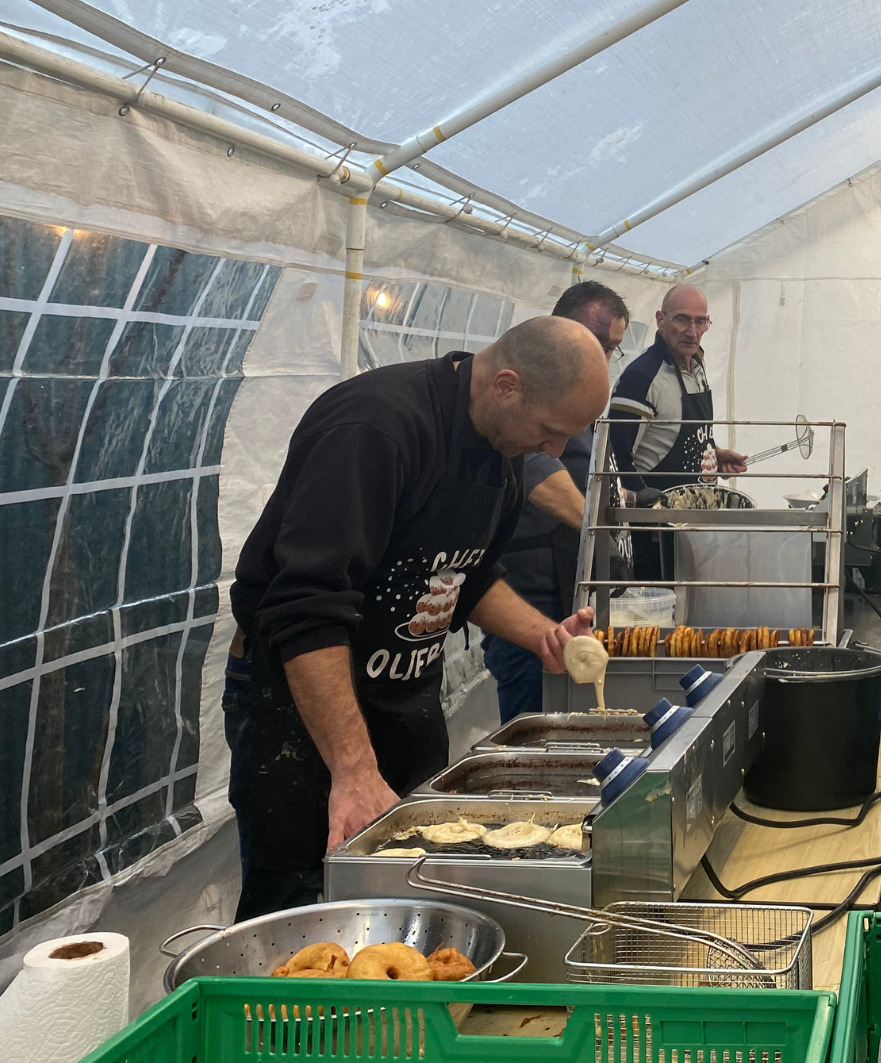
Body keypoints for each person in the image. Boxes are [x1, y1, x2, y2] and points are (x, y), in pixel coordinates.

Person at [225, 316, 606, 919]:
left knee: (417, 882)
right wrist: (351, 770)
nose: (555, 452)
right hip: (301, 707)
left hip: (404, 700)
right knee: (301, 897)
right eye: (551, 431)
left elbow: (464, 575)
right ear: (507, 385)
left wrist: (544, 637)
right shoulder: (376, 427)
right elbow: (308, 608)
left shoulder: (501, 446)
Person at [482, 281, 629, 721]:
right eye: (597, 341)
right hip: (528, 598)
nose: (600, 356)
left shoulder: (576, 391)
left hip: (563, 599)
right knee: (533, 723)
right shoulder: (533, 389)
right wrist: (598, 524)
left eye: (611, 348)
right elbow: (533, 465)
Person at [608, 283, 746, 580]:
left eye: (700, 321)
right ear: (661, 320)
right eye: (682, 319)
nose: (692, 331)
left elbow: (681, 431)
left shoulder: (696, 366)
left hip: (690, 524)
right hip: (652, 532)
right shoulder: (641, 377)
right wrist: (649, 509)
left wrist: (712, 452)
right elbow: (615, 455)